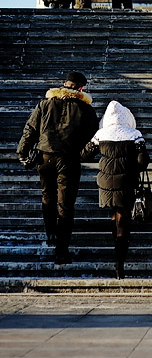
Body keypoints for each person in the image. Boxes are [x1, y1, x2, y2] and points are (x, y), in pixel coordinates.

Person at [16, 70, 98, 265]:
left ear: (64, 84)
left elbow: (31, 128)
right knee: (66, 206)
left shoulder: (45, 104)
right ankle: (62, 251)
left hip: (45, 157)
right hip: (68, 160)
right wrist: (84, 155)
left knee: (47, 196)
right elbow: (94, 138)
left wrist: (22, 151)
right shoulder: (86, 110)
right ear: (81, 88)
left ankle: (50, 232)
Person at [81, 101, 149, 279]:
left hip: (105, 182)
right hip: (126, 181)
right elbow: (143, 161)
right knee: (123, 219)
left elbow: (85, 154)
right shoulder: (134, 134)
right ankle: (120, 261)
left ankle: (116, 244)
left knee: (114, 213)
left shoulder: (101, 134)